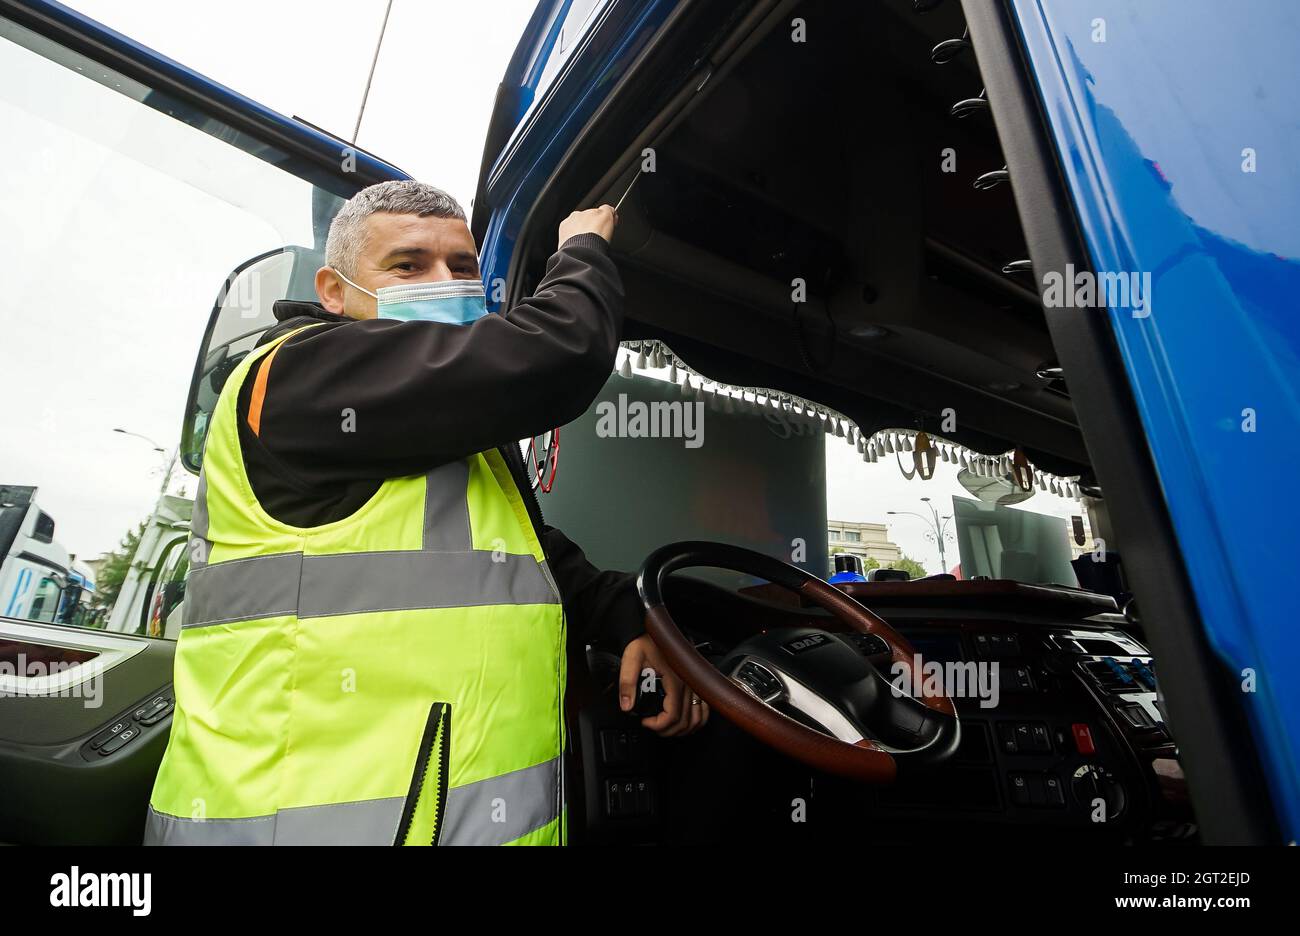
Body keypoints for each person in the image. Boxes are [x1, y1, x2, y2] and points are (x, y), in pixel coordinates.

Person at [145, 180, 705, 845]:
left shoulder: (445, 431)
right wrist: (582, 248)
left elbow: (531, 558)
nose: (444, 282)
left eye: (462, 268)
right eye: (409, 266)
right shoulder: (301, 376)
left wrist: (634, 619)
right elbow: (561, 353)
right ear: (333, 292)